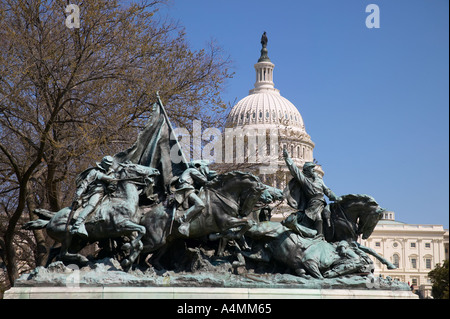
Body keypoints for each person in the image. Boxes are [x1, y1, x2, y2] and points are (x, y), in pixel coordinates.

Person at [283, 148, 341, 237]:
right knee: (318, 218)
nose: (314, 170)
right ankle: (319, 236)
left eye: (314, 169)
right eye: (311, 169)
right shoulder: (305, 180)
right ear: (306, 171)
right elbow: (295, 171)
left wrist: (335, 197)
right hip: (312, 204)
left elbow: (327, 190)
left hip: (322, 203)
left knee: (331, 216)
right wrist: (287, 158)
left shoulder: (319, 180)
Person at [70, 155, 117, 237]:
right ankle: (78, 224)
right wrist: (78, 194)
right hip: (96, 191)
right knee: (92, 204)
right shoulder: (94, 171)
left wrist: (113, 185)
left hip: (108, 193)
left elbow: (113, 183)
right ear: (102, 163)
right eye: (106, 164)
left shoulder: (112, 172)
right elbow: (85, 183)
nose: (108, 166)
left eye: (109, 164)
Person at [173, 160, 217, 236]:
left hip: (189, 189)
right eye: (205, 167)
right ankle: (183, 219)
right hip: (186, 190)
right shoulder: (192, 170)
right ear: (198, 166)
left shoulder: (190, 172)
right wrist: (213, 177)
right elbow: (204, 180)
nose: (206, 169)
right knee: (200, 204)